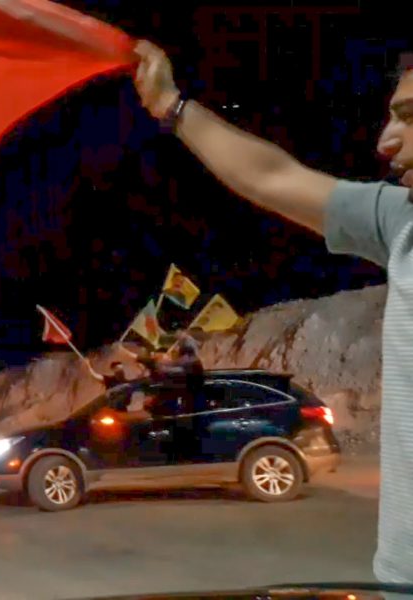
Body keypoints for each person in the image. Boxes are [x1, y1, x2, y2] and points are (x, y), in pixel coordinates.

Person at [133, 39, 412, 583]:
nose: (386, 140)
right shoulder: (400, 222)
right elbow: (272, 177)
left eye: (409, 116)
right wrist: (171, 105)